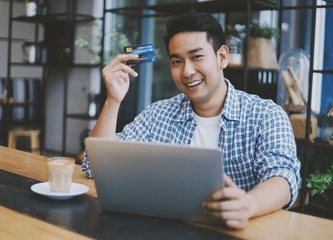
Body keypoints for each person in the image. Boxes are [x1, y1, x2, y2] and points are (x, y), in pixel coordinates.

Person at [82, 12, 301, 229]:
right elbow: (95, 165)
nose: (187, 71)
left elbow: (283, 178)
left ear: (222, 57)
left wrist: (249, 204)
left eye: (196, 57)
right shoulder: (158, 114)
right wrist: (113, 100)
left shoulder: (266, 115)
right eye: (177, 61)